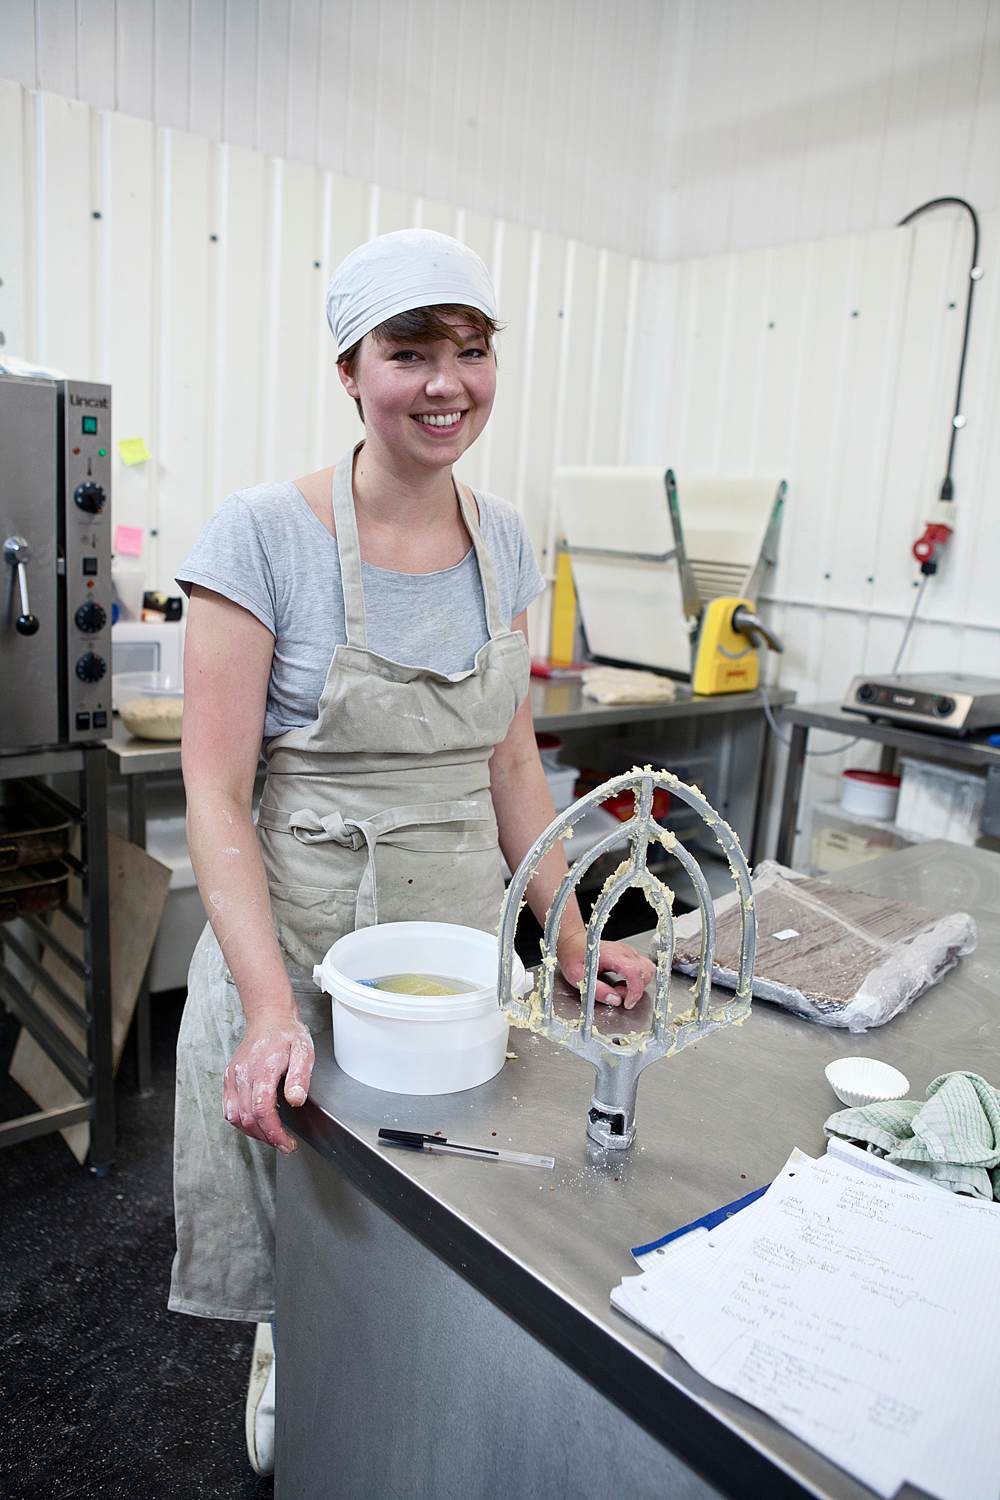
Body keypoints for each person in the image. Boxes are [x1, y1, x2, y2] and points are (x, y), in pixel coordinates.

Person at [167, 229, 655, 1475]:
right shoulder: (259, 536)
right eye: (409, 353)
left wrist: (568, 932)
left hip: (452, 929)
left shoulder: (505, 540)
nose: (447, 384)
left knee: (445, 1187)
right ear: (350, 370)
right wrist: (268, 1009)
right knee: (308, 1196)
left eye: (471, 351)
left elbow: (509, 766)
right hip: (299, 926)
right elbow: (214, 792)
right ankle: (290, 1339)